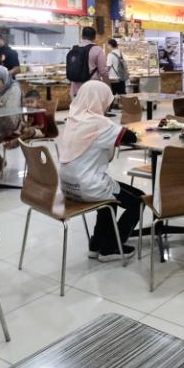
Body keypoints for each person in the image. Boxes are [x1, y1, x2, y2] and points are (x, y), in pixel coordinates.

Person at [57, 81, 141, 261]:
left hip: (68, 187)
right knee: (139, 201)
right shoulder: (99, 123)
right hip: (89, 186)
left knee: (108, 203)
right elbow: (129, 137)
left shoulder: (73, 118)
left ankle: (96, 245)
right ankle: (111, 247)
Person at [67, 26, 109, 96]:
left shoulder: (74, 48)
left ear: (82, 36)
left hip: (75, 89)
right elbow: (103, 72)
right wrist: (108, 86)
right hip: (91, 88)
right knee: (93, 107)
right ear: (94, 37)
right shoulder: (97, 49)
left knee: (77, 107)